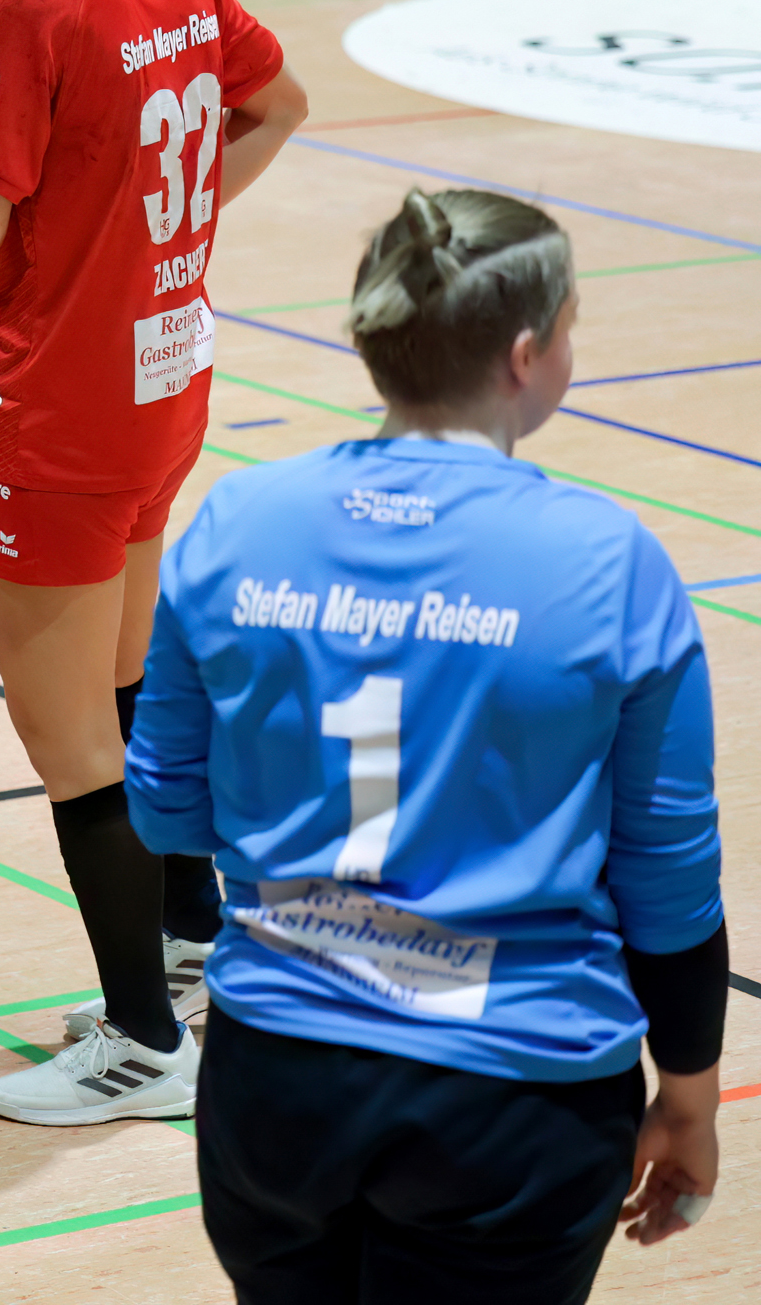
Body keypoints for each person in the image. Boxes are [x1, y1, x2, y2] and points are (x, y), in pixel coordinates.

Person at [130, 187, 727, 1304]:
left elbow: (167, 806)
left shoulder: (237, 523)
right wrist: (689, 1097)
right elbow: (670, 883)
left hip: (275, 1084)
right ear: (524, 355)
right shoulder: (610, 562)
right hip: (516, 1100)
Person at [0, 0, 309, 1125]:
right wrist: (171, 223)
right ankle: (193, 932)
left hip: (58, 414)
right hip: (164, 385)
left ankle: (145, 1045)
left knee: (69, 740)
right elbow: (280, 104)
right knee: (132, 673)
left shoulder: (31, 10)